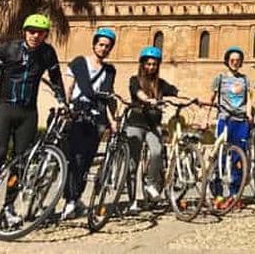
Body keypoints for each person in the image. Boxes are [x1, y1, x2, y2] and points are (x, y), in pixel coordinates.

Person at [0, 13, 66, 222]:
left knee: (20, 162)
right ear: (24, 32)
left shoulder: (47, 53)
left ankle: (8, 207)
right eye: (31, 31)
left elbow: (56, 78)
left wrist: (62, 101)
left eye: (40, 33)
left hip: (28, 113)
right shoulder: (7, 49)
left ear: (45, 35)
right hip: (5, 109)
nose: (35, 36)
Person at [61, 27, 118, 220]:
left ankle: (74, 199)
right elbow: (69, 86)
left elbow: (108, 97)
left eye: (107, 46)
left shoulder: (109, 70)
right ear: (94, 44)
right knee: (75, 158)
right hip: (77, 113)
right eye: (101, 44)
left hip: (96, 118)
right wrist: (65, 106)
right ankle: (69, 199)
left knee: (86, 161)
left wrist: (112, 121)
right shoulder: (79, 63)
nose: (103, 48)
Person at [126, 45, 178, 213]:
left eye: (154, 64)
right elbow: (138, 93)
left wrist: (192, 99)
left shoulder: (160, 84)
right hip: (135, 123)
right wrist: (148, 100)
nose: (151, 67)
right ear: (142, 64)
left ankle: (150, 183)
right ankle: (132, 199)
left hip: (152, 125)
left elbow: (175, 91)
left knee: (157, 151)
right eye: (148, 64)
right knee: (133, 163)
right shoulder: (134, 80)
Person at [209, 45, 251, 209]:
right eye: (232, 60)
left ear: (241, 62)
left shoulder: (245, 79)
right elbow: (211, 98)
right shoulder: (220, 78)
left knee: (237, 160)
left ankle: (234, 194)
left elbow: (247, 99)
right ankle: (218, 194)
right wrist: (205, 118)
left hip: (240, 121)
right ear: (227, 61)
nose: (235, 62)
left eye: (238, 60)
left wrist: (249, 115)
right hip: (224, 120)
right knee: (220, 156)